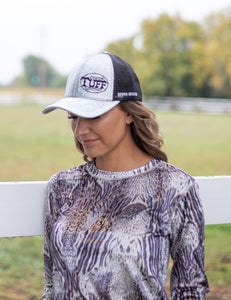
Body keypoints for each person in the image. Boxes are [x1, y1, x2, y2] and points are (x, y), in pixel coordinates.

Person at [42, 52, 209, 299]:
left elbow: (191, 289)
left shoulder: (175, 187)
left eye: (94, 115)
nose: (80, 130)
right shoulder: (62, 186)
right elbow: (51, 282)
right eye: (73, 116)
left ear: (129, 113)